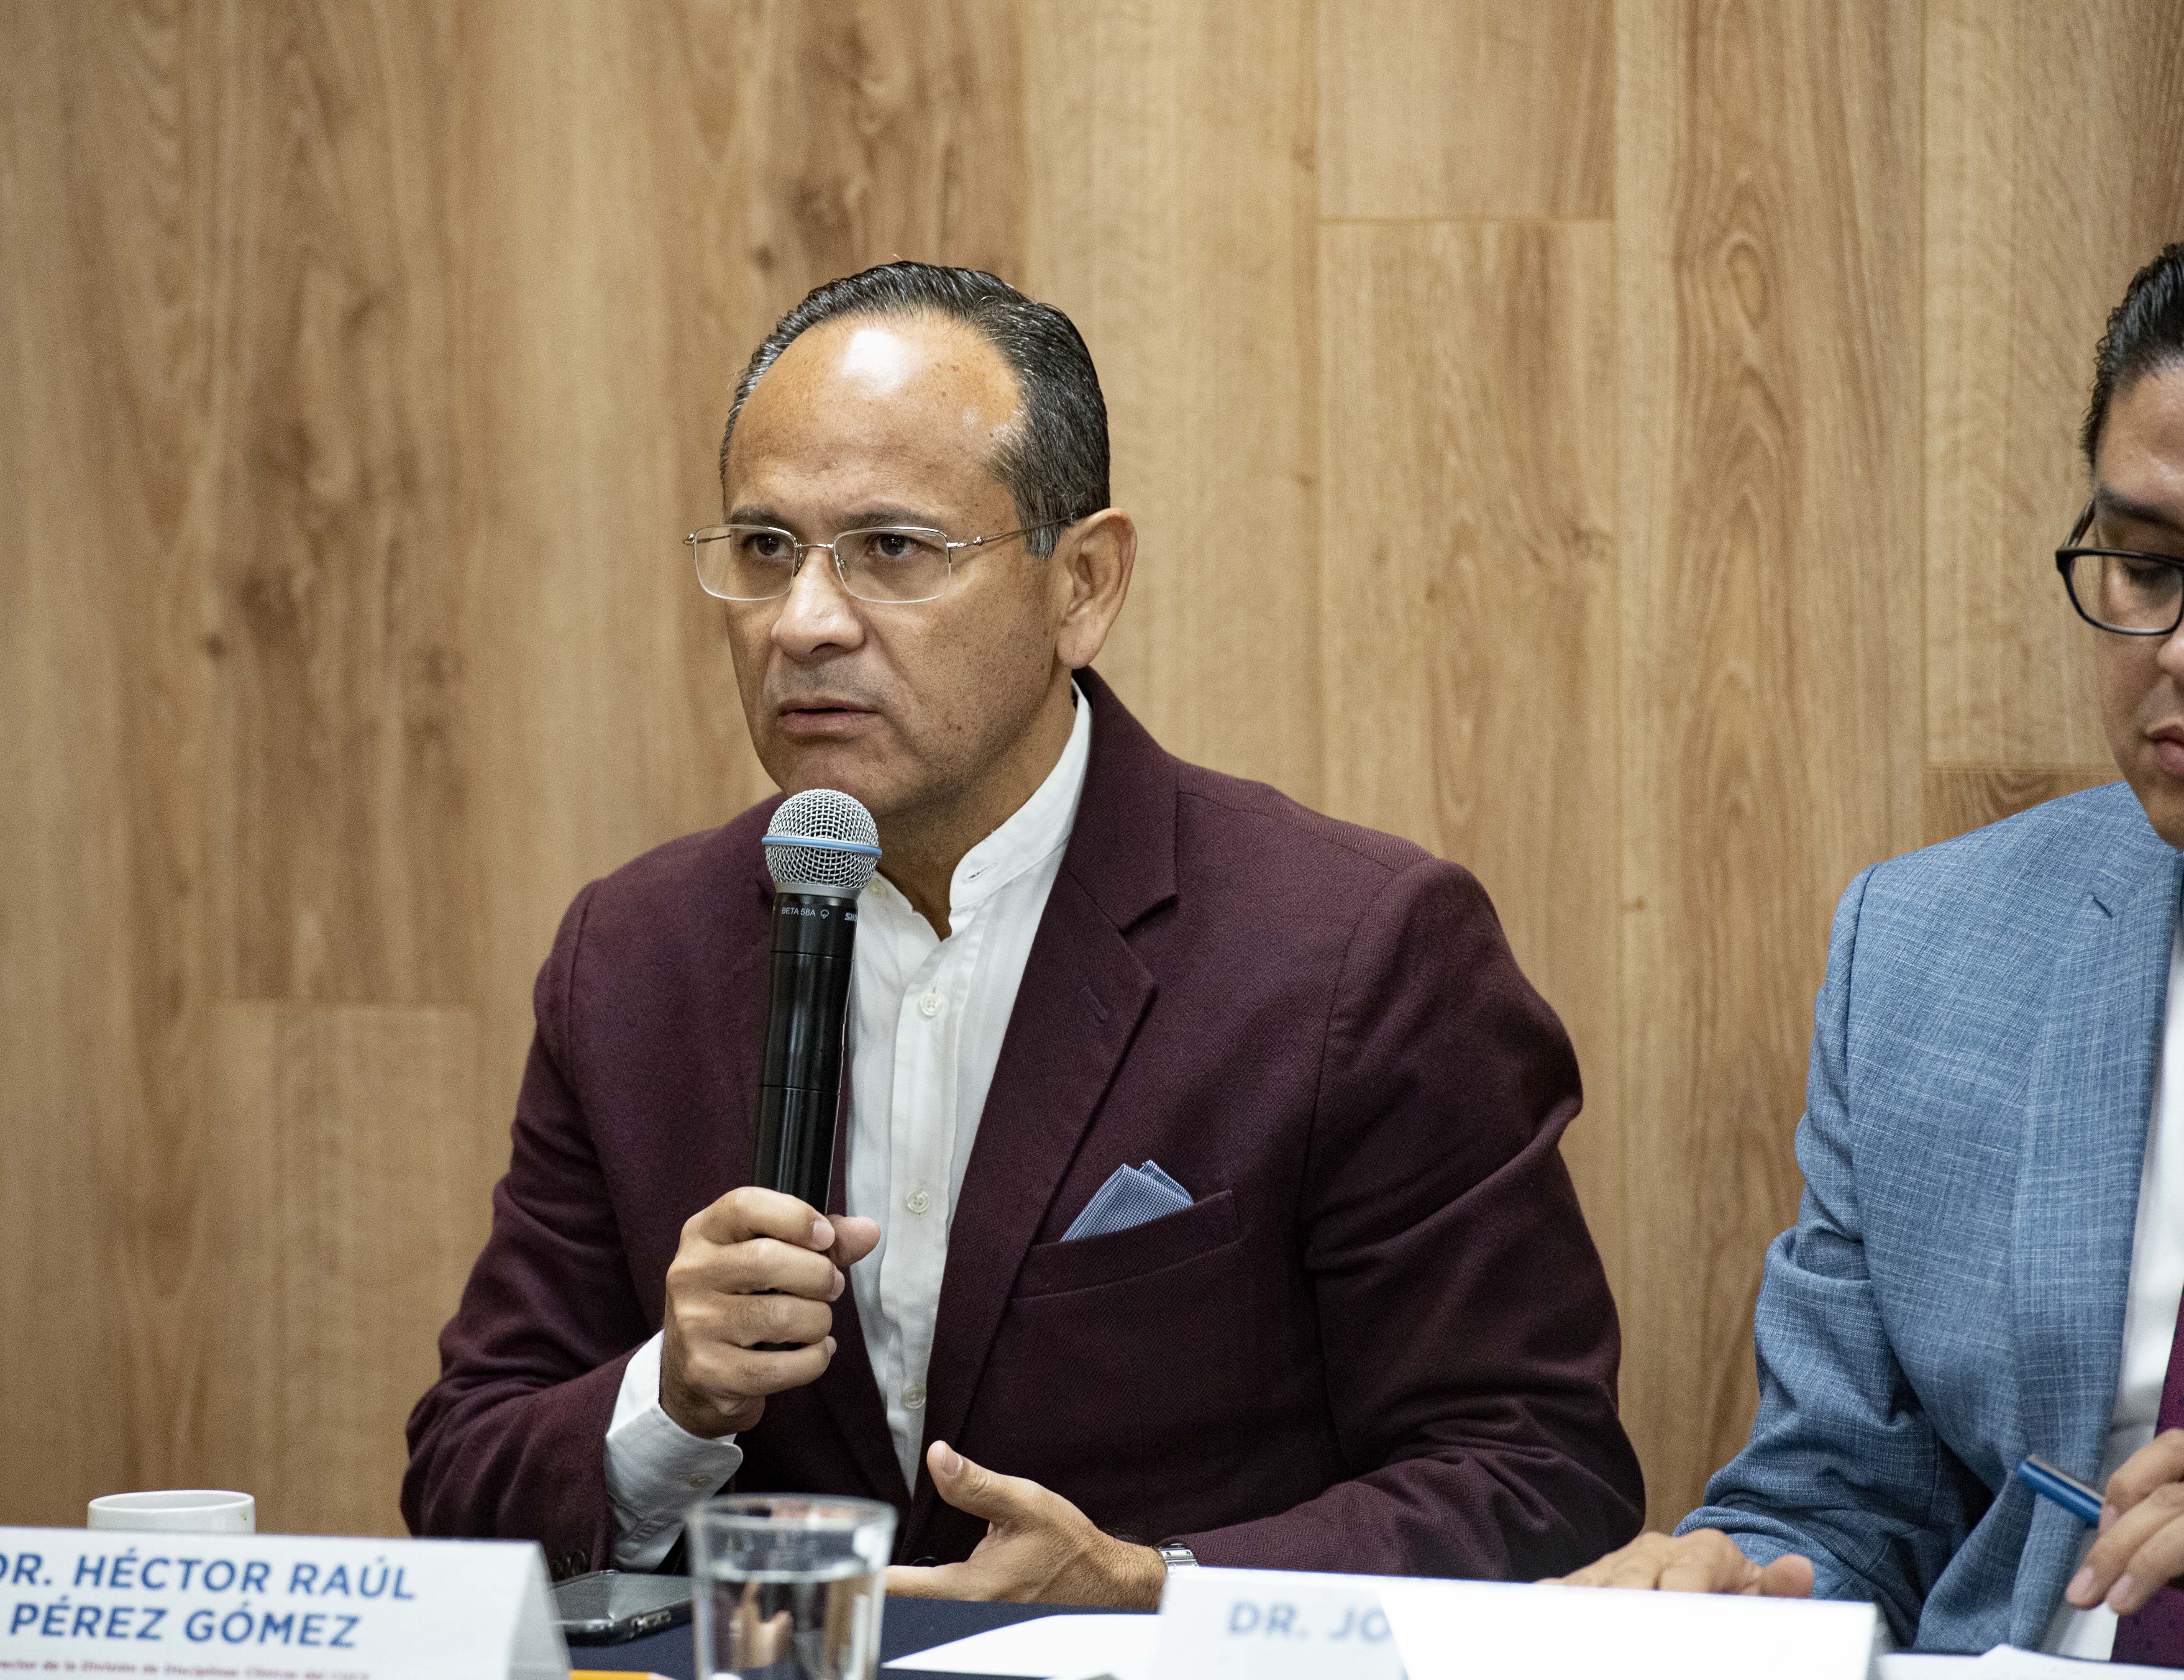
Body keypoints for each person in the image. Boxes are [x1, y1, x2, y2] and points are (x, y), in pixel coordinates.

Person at [403, 261, 1644, 1603]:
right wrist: (669, 1400)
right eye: (765, 551)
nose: (806, 624)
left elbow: (1537, 1478)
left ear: (1084, 586)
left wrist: (1157, 1587)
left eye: (893, 549)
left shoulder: (1352, 953)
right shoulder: (635, 961)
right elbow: (464, 1474)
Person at [1561, 234, 2184, 1662]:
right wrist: (1746, 1583)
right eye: (2148, 567)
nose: (2182, 650)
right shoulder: (1929, 953)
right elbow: (1852, 1495)